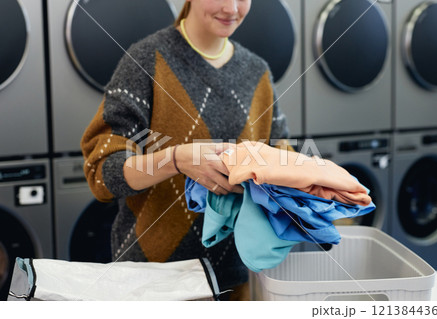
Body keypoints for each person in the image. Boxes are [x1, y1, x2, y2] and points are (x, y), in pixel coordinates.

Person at [81, 0, 292, 300]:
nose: (232, 8)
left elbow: (283, 158)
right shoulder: (146, 61)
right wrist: (175, 159)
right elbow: (101, 172)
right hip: (153, 282)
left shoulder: (258, 73)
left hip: (235, 280)